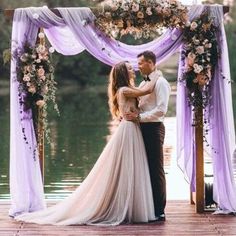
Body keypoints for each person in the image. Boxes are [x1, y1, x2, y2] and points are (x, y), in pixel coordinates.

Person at [15, 61, 157, 226]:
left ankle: (129, 205)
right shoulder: (125, 90)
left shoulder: (125, 90)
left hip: (132, 129)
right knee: (127, 167)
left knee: (130, 167)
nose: (133, 69)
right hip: (129, 130)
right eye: (130, 68)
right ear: (124, 74)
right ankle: (123, 206)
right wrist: (157, 74)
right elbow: (147, 90)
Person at [125, 51, 171, 221]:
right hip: (142, 129)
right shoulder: (144, 82)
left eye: (141, 63)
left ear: (151, 63)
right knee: (144, 168)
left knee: (156, 169)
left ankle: (159, 210)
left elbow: (161, 110)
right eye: (138, 63)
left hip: (154, 128)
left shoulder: (161, 83)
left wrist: (139, 117)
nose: (139, 66)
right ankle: (148, 206)